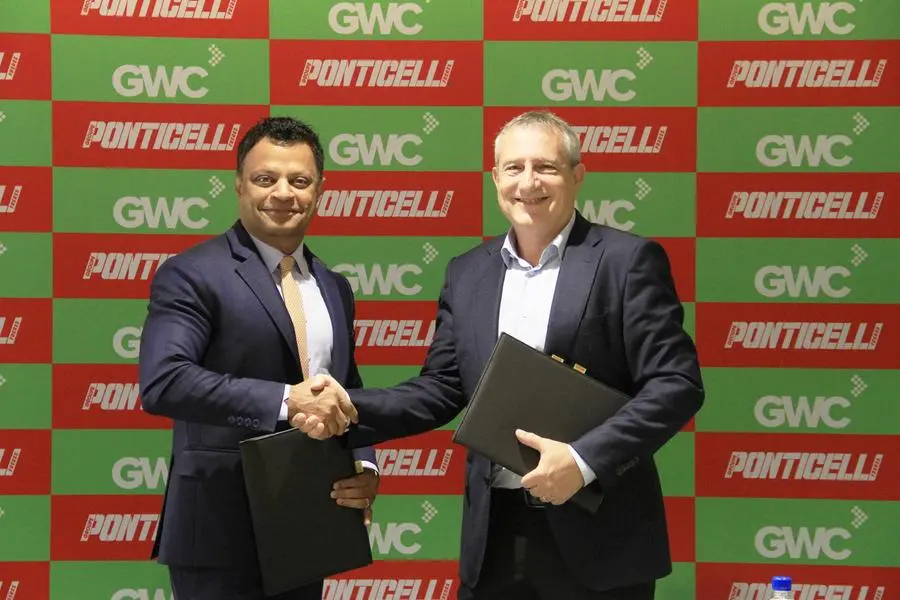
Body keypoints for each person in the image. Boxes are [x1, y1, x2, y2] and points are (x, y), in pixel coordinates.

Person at [296, 111, 704, 599]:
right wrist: (347, 407)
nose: (528, 183)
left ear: (577, 175)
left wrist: (582, 460)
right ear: (495, 178)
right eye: (514, 168)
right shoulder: (468, 272)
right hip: (495, 539)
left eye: (545, 167)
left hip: (600, 538)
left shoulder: (626, 261)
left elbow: (676, 384)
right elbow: (443, 386)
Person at [138, 116, 378, 600]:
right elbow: (165, 381)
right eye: (266, 178)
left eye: (299, 180)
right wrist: (288, 400)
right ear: (239, 185)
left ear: (320, 189)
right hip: (218, 529)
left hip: (309, 520)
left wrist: (363, 464)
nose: (283, 193)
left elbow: (345, 387)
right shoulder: (191, 274)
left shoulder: (334, 286)